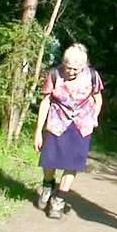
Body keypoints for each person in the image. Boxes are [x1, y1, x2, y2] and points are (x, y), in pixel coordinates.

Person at [33, 43, 104, 219]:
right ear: (63, 63)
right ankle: (48, 184)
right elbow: (46, 102)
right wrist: (38, 131)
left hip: (81, 126)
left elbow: (98, 99)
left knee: (72, 164)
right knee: (49, 160)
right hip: (56, 123)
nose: (71, 72)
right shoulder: (55, 74)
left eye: (75, 69)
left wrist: (92, 118)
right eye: (68, 67)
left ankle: (59, 199)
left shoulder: (92, 76)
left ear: (83, 67)